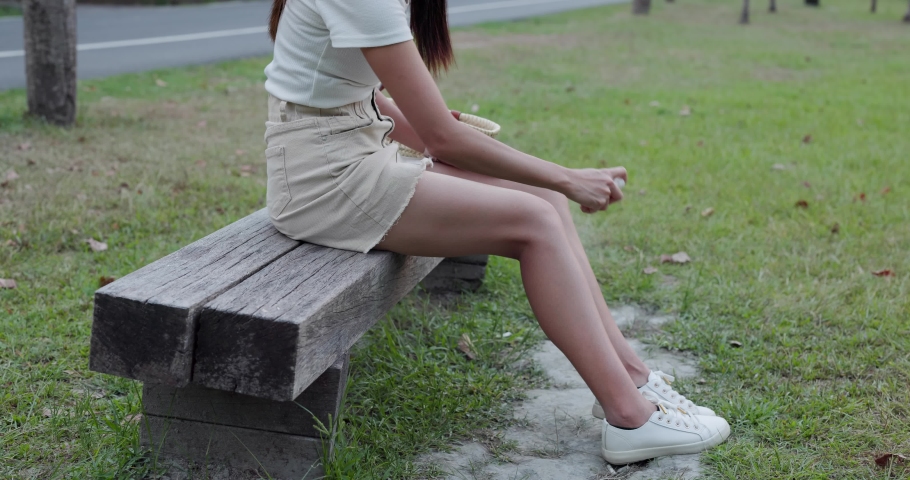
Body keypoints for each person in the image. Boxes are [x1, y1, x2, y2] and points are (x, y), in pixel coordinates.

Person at [262, 0, 729, 464]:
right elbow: (443, 139)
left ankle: (632, 375)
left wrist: (439, 134)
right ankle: (630, 418)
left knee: (545, 202)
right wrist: (568, 175)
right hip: (325, 181)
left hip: (355, 155)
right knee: (537, 220)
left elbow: (363, 99)